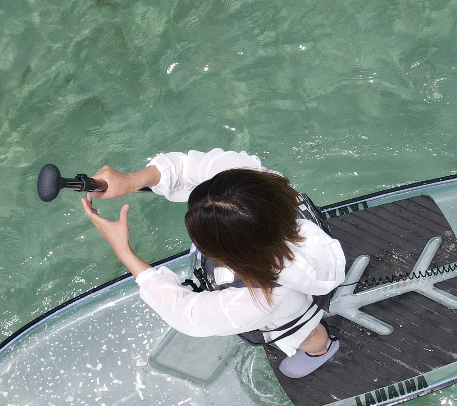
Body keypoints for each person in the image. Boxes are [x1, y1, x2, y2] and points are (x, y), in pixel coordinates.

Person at [81, 148, 345, 378]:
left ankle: (320, 349)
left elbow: (187, 313)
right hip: (308, 265)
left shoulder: (258, 300)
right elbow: (191, 167)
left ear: (227, 255)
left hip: (292, 309)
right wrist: (131, 180)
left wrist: (123, 250)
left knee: (306, 333)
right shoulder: (258, 181)